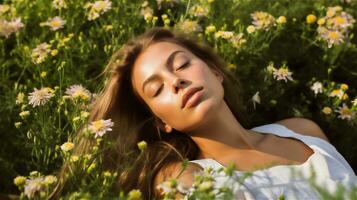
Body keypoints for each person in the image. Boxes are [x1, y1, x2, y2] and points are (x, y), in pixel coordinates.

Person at [52, 27, 357, 199]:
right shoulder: (182, 176)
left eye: (182, 64)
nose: (176, 81)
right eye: (156, 89)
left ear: (214, 71)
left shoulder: (303, 130)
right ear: (161, 121)